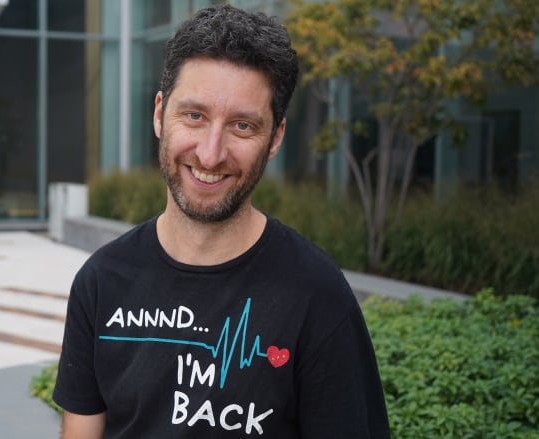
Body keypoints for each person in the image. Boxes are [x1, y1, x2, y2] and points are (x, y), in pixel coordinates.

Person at [52, 5, 390, 438]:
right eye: (194, 115)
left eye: (243, 126)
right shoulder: (101, 281)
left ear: (275, 139)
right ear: (160, 114)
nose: (211, 154)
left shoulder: (317, 296)